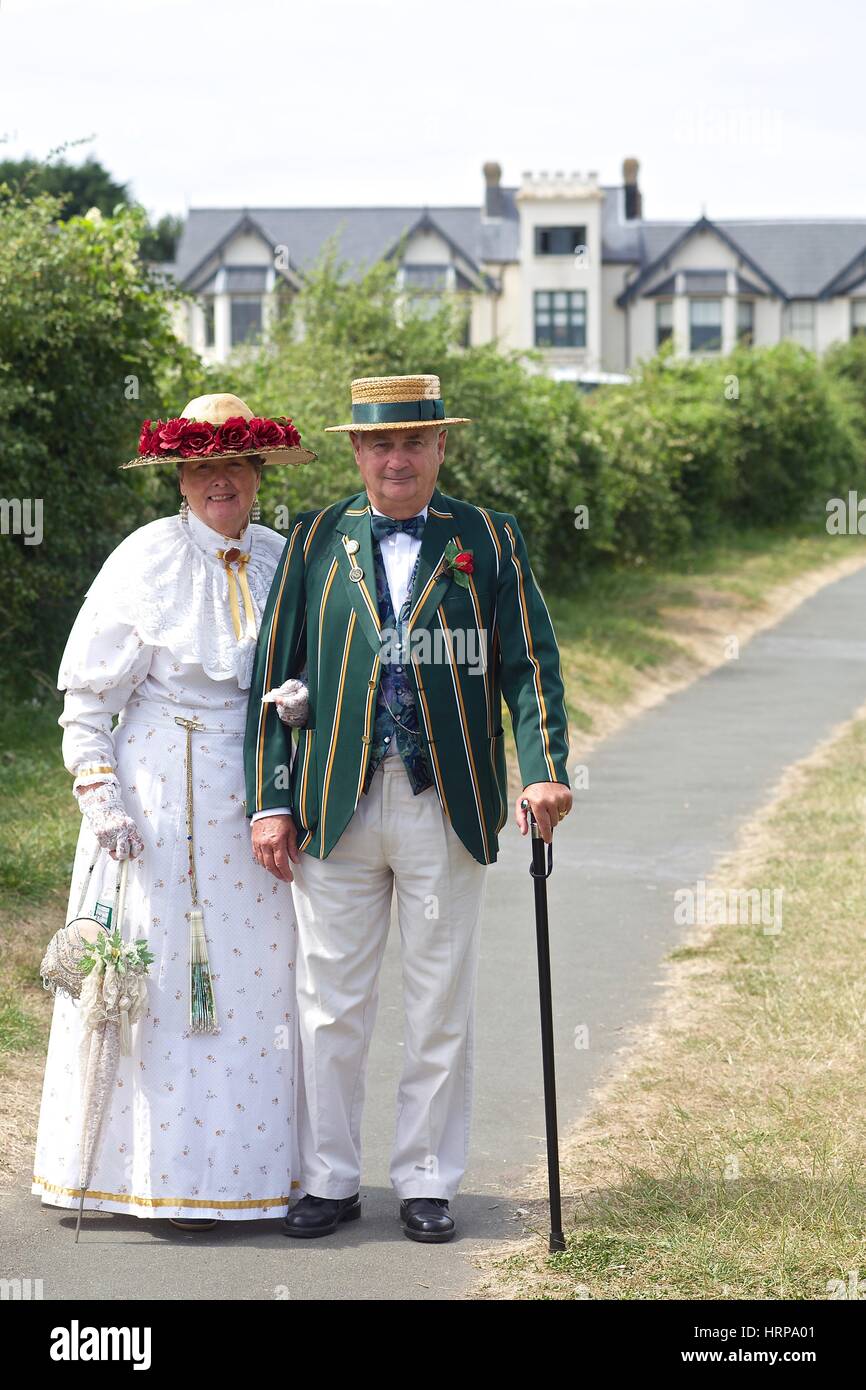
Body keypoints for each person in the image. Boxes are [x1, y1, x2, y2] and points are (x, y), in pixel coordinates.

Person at [244, 373, 572, 1243]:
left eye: (414, 442)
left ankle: (428, 1180)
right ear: (356, 451)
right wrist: (272, 799)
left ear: (439, 448)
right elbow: (273, 677)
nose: (397, 458)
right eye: (380, 444)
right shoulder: (314, 539)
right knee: (329, 1003)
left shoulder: (487, 538)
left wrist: (544, 770)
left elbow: (529, 663)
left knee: (438, 1000)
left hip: (445, 798)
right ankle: (330, 1179)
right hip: (332, 806)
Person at [31, 393, 314, 1231]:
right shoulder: (143, 560)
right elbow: (87, 700)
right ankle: (144, 1176)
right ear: (180, 480)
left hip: (258, 808)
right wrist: (101, 796)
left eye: (234, 465)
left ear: (259, 473)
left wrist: (302, 701)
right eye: (200, 468)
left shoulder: (280, 557)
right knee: (155, 985)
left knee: (256, 987)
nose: (218, 481)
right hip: (155, 808)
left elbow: (314, 662)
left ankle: (245, 1176)